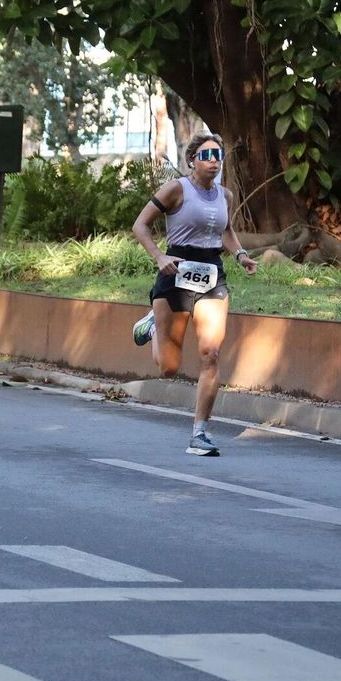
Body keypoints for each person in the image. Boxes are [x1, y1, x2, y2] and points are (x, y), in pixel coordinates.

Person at [130, 134, 258, 456]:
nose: (214, 159)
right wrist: (160, 257)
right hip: (176, 272)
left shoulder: (224, 195)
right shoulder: (176, 189)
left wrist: (240, 254)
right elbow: (140, 225)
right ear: (192, 160)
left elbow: (225, 229)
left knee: (210, 354)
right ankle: (154, 326)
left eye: (218, 154)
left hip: (212, 274)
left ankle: (200, 433)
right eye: (207, 154)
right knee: (169, 368)